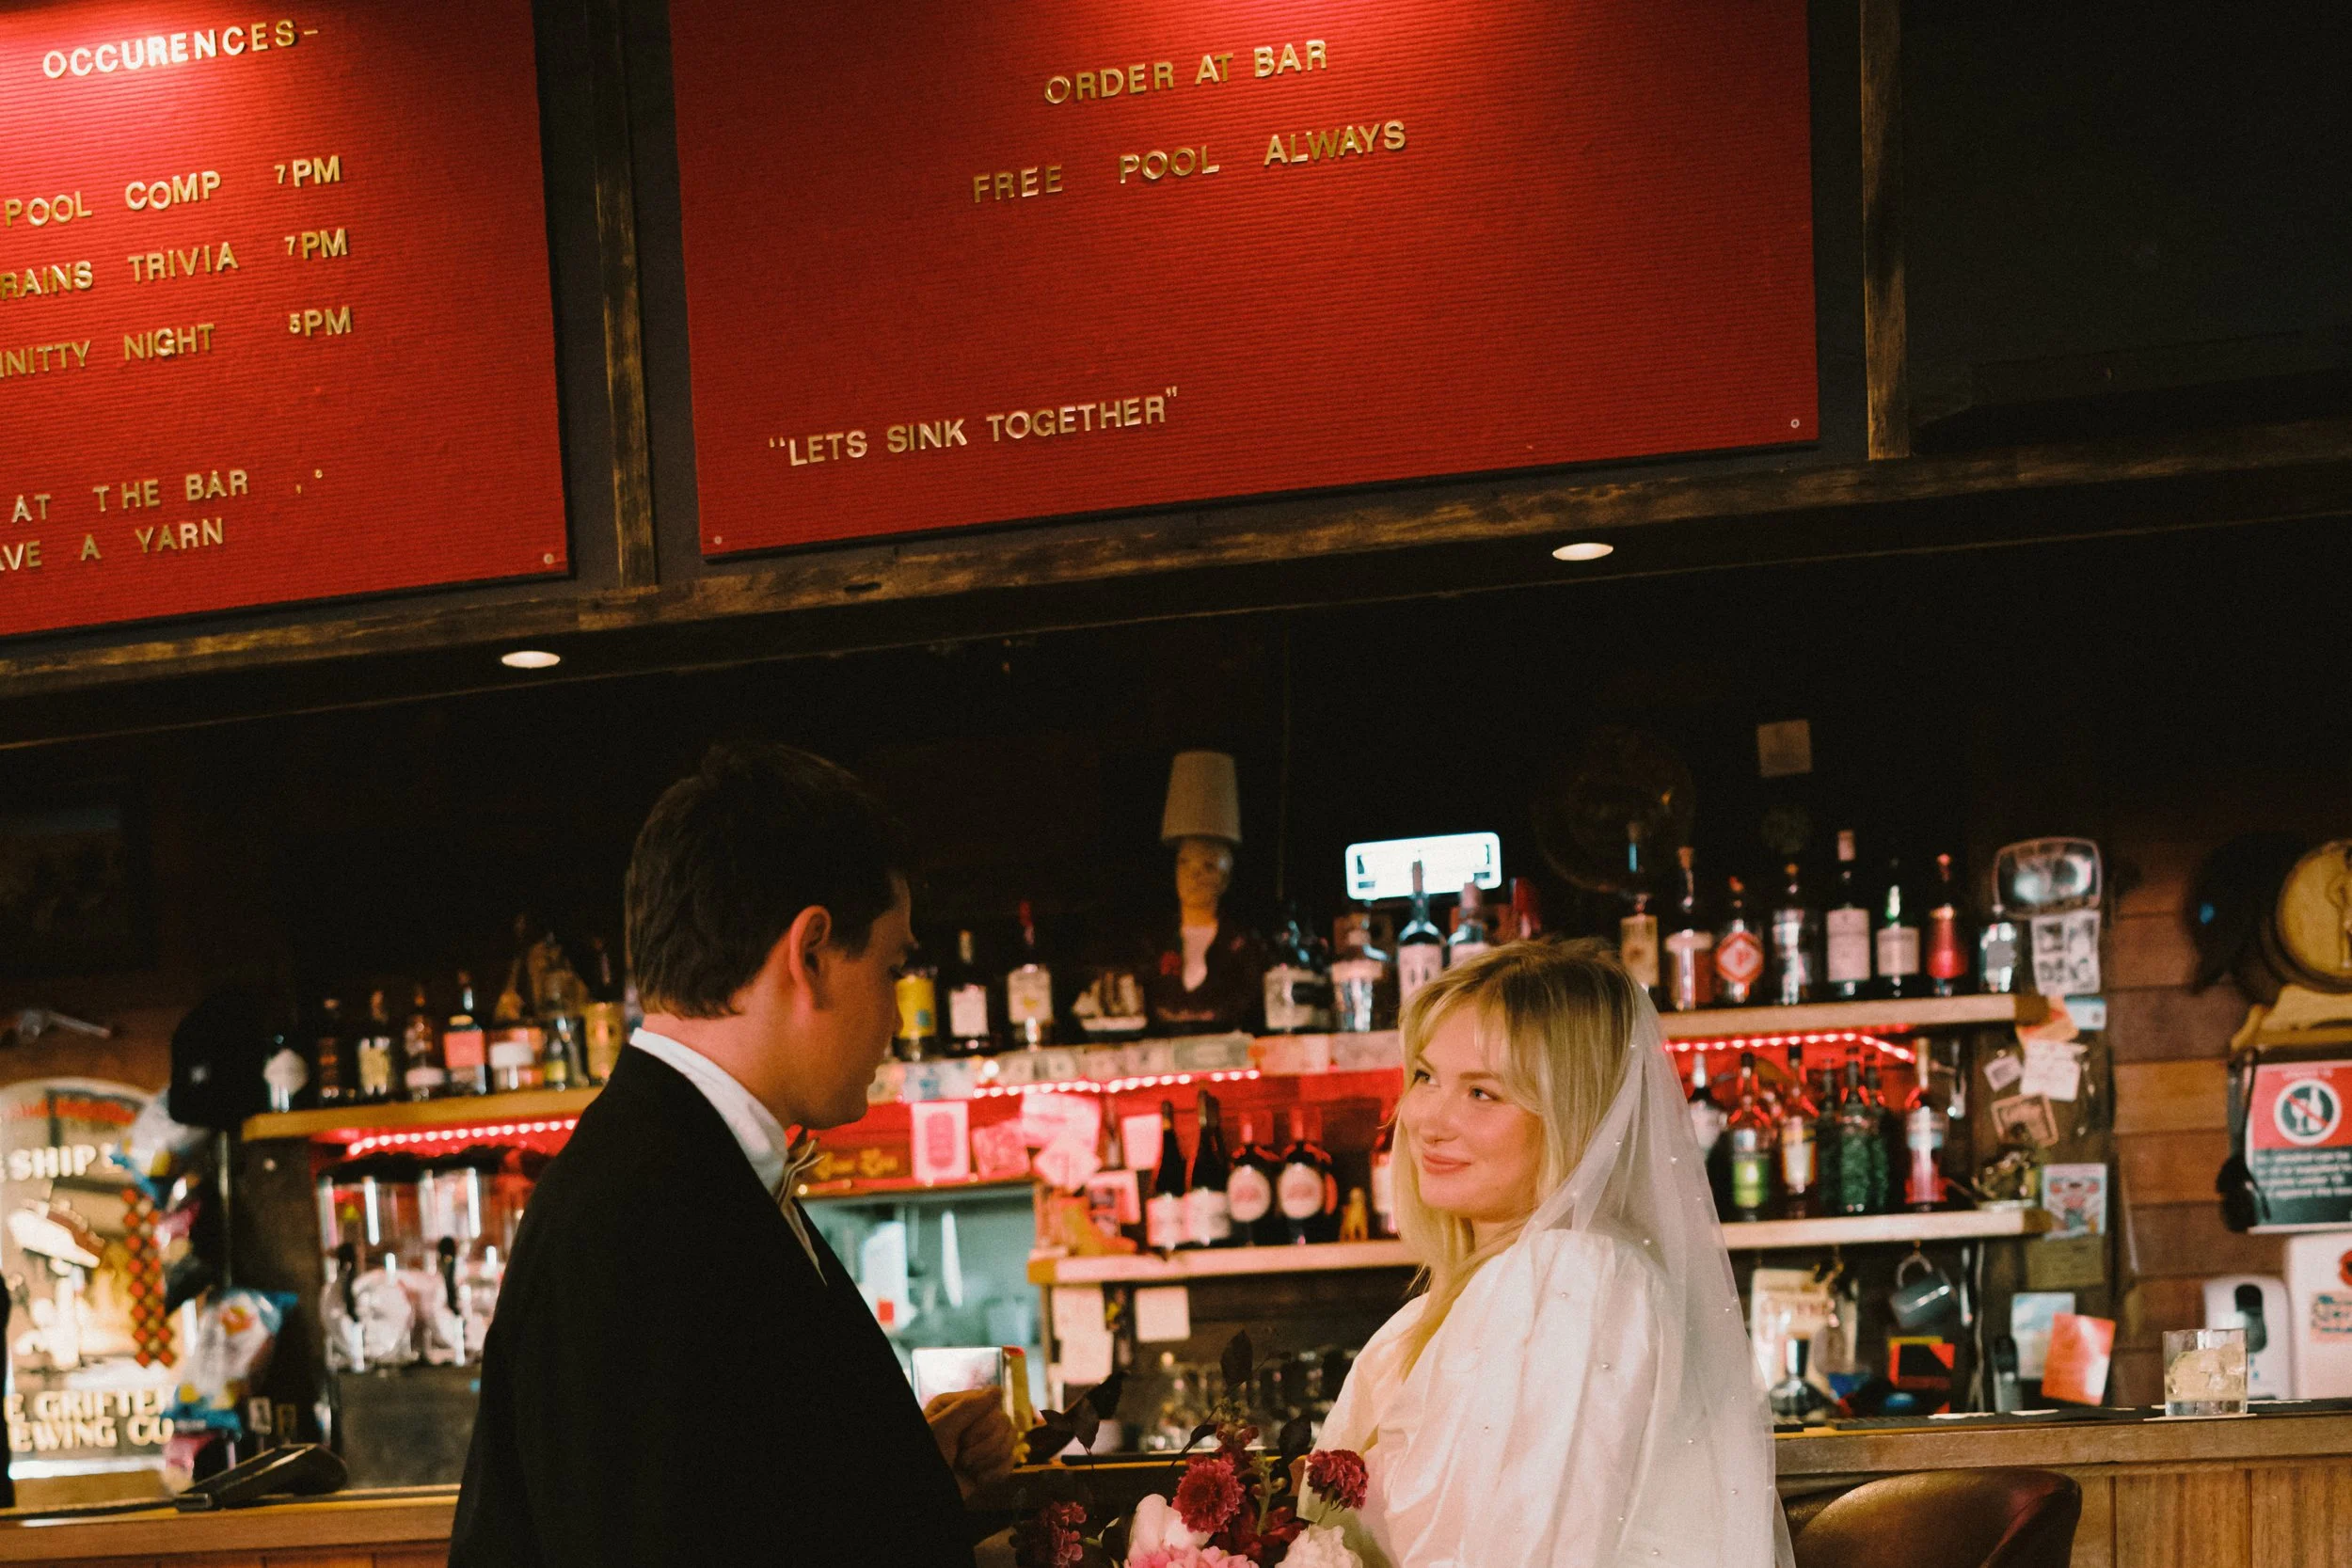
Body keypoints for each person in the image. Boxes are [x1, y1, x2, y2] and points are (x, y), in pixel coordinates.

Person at [452, 742, 1014, 1568]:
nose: (896, 1016)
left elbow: (730, 1497)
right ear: (812, 953)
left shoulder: (688, 1163)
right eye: (891, 967)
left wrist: (896, 1473)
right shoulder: (637, 1213)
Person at [1315, 940, 1791, 1567]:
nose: (1428, 1117)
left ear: (1573, 1115)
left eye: (1482, 1092)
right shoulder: (1429, 1317)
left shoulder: (1576, 1280)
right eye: (1426, 1076)